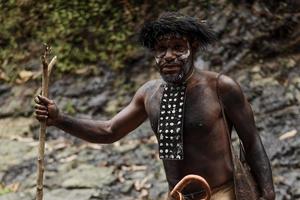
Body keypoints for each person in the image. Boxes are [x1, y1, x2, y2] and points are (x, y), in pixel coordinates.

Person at [34, 12, 275, 200]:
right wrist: (60, 119)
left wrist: (267, 192)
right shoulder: (149, 94)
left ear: (193, 49)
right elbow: (109, 131)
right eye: (161, 49)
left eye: (178, 47)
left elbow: (252, 140)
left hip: (222, 192)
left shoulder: (221, 87)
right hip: (177, 194)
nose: (169, 56)